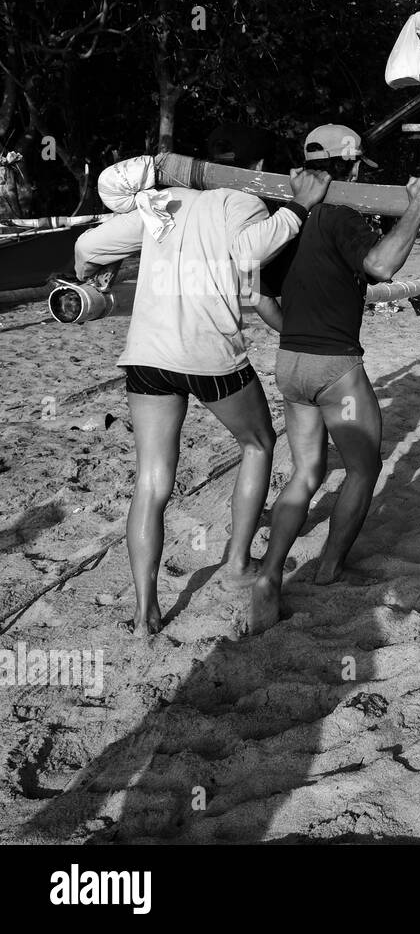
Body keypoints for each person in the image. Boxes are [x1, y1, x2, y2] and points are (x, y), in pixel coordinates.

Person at [74, 127, 331, 637]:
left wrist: (89, 275)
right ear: (257, 168)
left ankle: (147, 609)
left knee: (151, 482)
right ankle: (237, 564)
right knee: (258, 443)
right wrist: (297, 209)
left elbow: (88, 245)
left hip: (147, 355)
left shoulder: (163, 203)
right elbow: (249, 255)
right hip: (209, 355)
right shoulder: (243, 203)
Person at [248, 125, 420, 635]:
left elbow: (261, 300)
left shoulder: (285, 221)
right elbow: (380, 264)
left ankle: (270, 575)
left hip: (289, 364)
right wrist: (418, 207)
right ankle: (330, 567)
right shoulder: (341, 215)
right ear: (352, 167)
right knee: (363, 467)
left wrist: (298, 334)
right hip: (335, 369)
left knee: (305, 475)